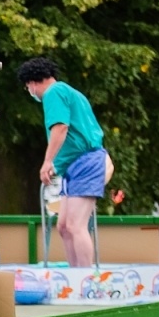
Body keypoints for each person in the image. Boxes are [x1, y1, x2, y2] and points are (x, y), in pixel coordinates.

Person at [18, 56, 106, 267]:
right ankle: (75, 275)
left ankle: (84, 280)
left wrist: (48, 161)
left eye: (27, 86)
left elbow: (60, 128)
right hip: (75, 164)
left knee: (76, 225)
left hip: (86, 163)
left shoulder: (53, 93)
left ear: (32, 82)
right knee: (64, 226)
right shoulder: (69, 92)